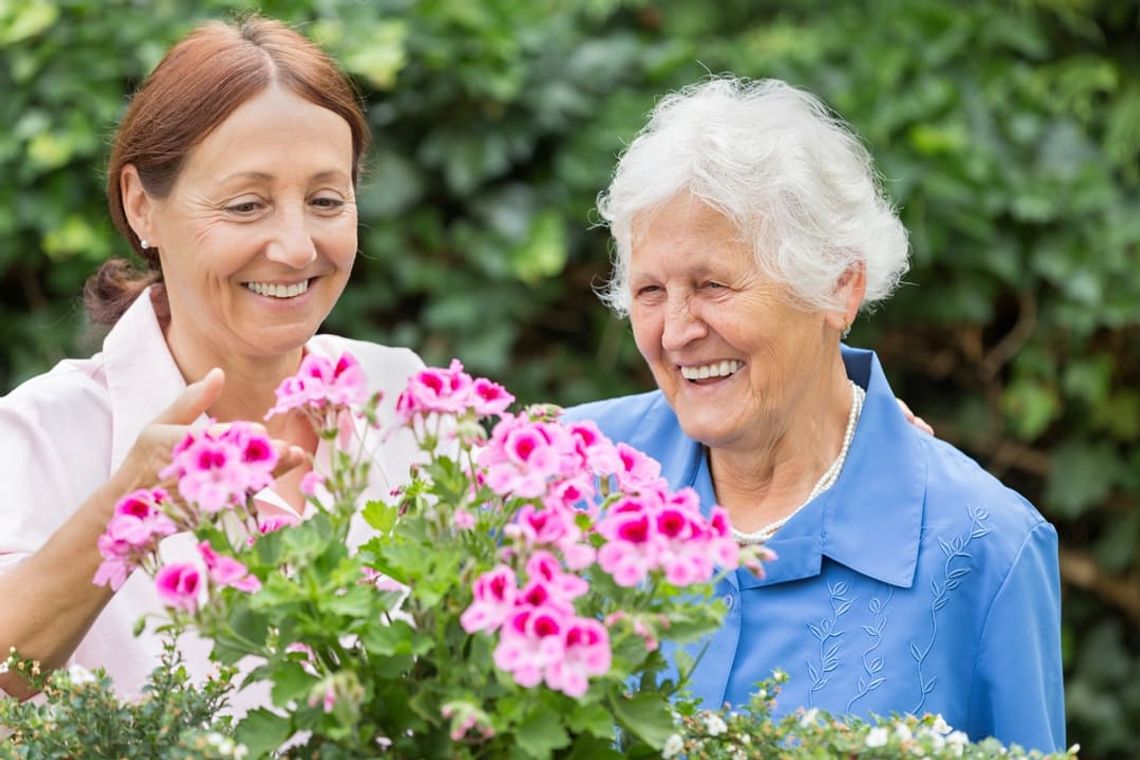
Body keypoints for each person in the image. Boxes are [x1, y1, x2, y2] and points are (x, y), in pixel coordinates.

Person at [564, 78, 1064, 751]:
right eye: (651, 291)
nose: (676, 331)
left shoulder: (985, 550)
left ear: (837, 286)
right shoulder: (562, 478)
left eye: (713, 285)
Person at [0, 16, 424, 702]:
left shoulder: (401, 392)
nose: (295, 247)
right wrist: (125, 504)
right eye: (247, 204)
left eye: (325, 200)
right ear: (143, 207)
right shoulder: (40, 436)